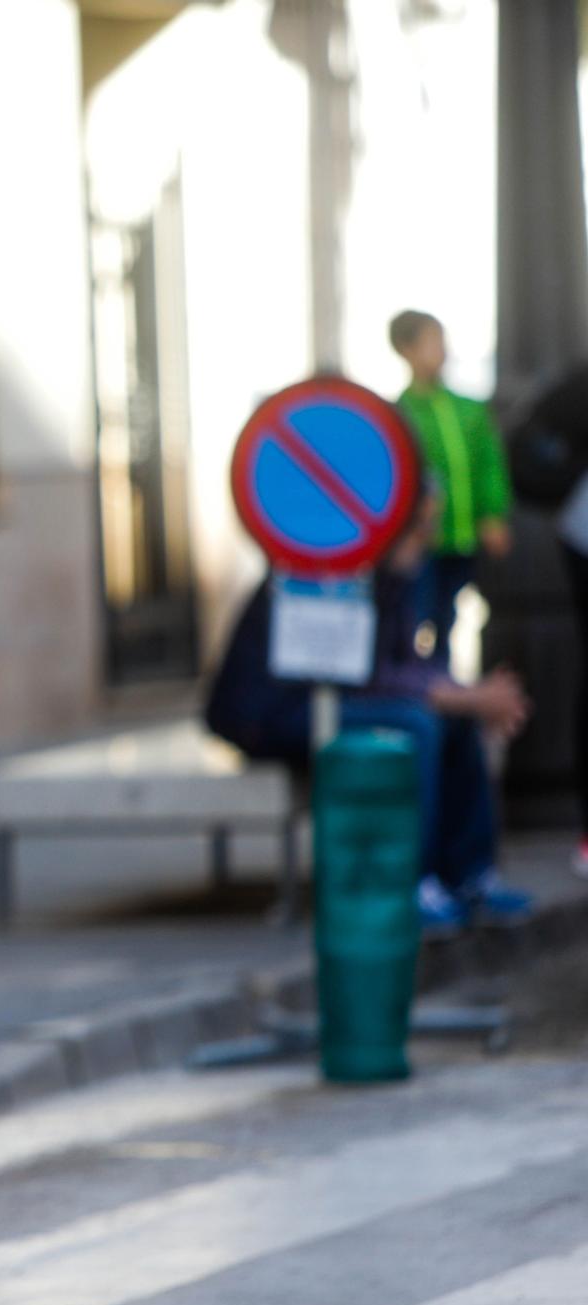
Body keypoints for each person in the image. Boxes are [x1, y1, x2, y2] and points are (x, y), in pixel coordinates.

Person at [205, 485, 533, 931]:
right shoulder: (349, 563)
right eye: (423, 520)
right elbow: (369, 677)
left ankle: (471, 877)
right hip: (271, 712)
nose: (430, 531)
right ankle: (413, 882)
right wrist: (469, 698)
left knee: (451, 723)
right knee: (415, 727)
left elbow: (406, 663)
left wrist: (468, 696)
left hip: (326, 700)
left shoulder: (398, 570)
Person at [390, 310, 514, 665]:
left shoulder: (468, 410)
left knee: (451, 619)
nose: (441, 351)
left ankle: (446, 684)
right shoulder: (400, 414)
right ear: (406, 350)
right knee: (417, 617)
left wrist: (493, 514)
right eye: (431, 342)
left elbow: (489, 465)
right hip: (422, 544)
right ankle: (420, 685)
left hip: (465, 538)